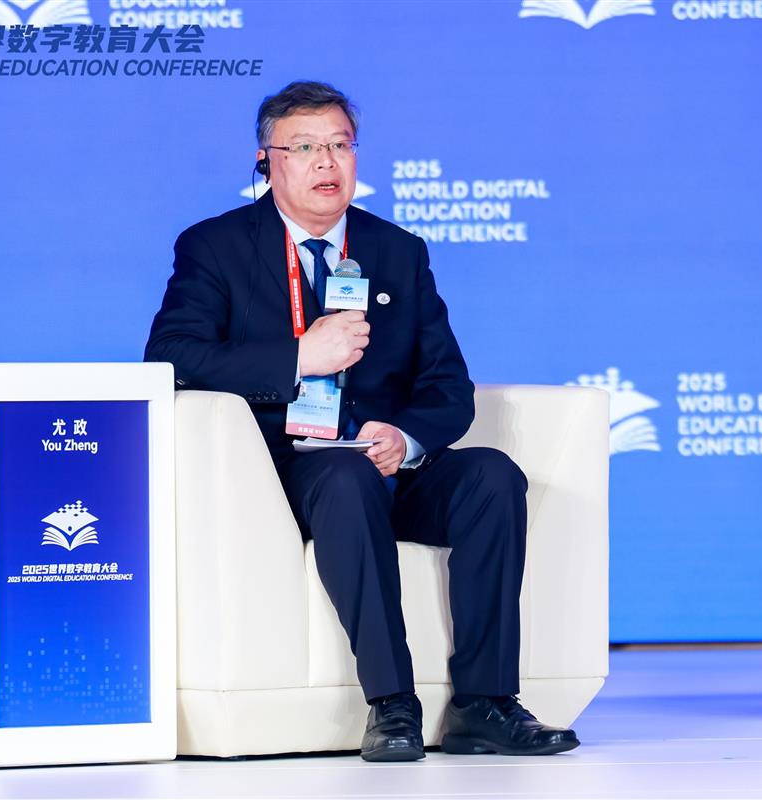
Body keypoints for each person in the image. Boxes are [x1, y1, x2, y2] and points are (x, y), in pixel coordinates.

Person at [144, 80, 579, 762]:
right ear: (266, 162)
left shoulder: (397, 251)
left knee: (492, 477)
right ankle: (392, 702)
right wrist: (299, 356)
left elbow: (448, 386)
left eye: (340, 145)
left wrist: (404, 438)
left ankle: (484, 705)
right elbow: (172, 357)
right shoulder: (217, 246)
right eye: (304, 147)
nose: (326, 162)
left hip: (389, 465)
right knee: (344, 477)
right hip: (293, 471)